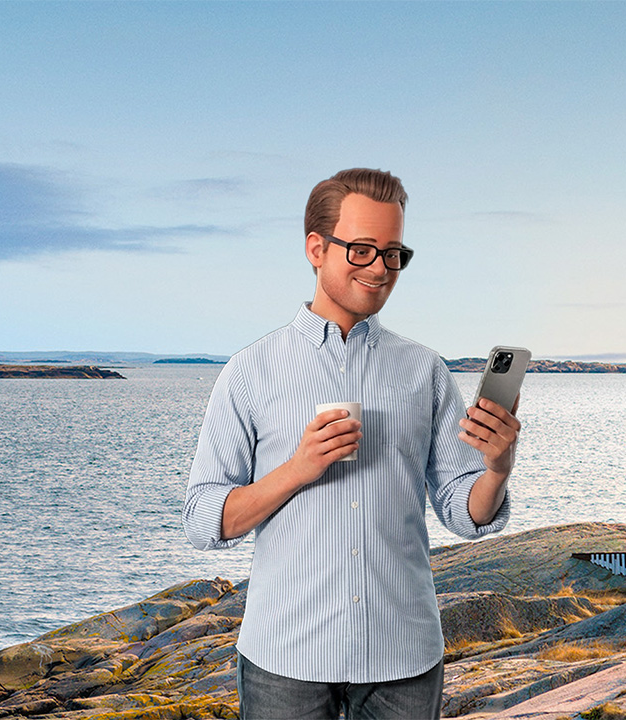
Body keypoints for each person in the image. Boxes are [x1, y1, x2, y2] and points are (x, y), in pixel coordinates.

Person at [183, 168, 520, 719]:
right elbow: (203, 521)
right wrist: (298, 467)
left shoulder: (424, 370)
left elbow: (464, 514)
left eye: (392, 254)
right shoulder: (250, 371)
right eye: (361, 250)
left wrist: (498, 468)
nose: (380, 270)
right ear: (316, 248)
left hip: (403, 657)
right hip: (284, 658)